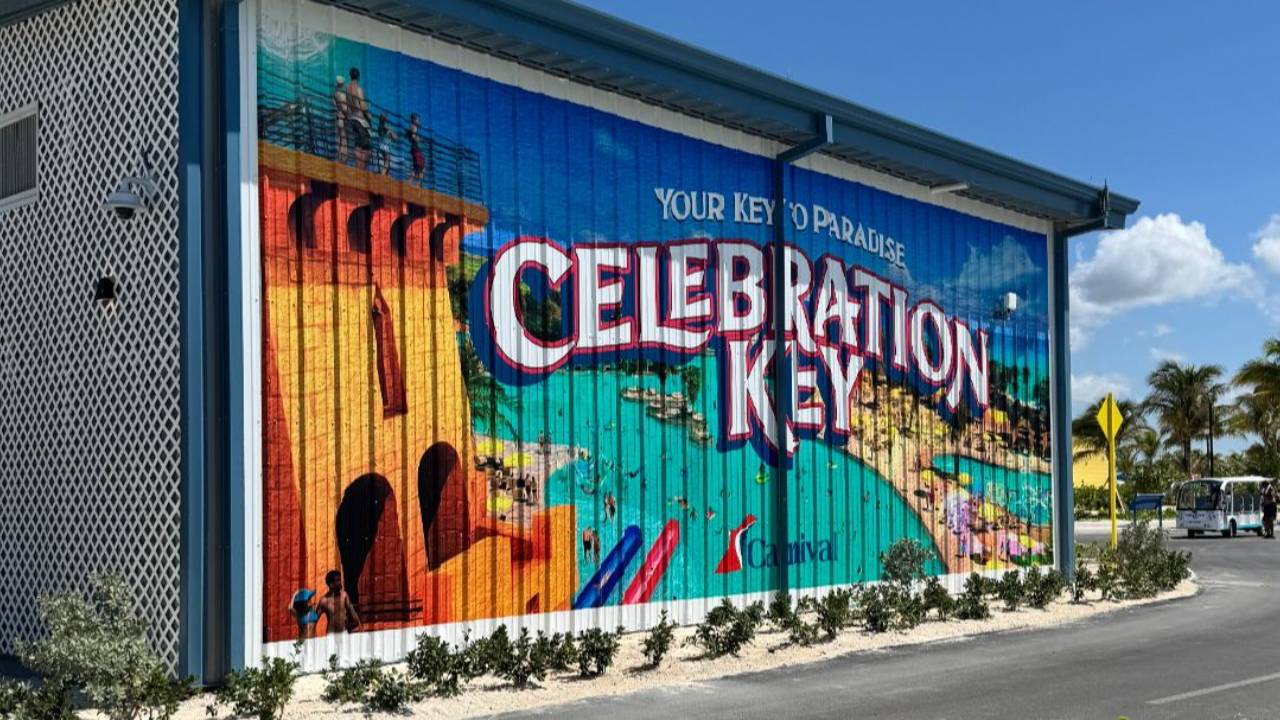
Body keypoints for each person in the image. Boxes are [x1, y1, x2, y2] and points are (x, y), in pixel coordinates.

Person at [315, 570, 360, 635]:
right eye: (338, 580)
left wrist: (351, 626)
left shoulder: (344, 596)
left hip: (344, 633)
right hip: (331, 635)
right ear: (331, 585)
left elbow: (354, 616)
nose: (340, 583)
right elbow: (314, 621)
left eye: (340, 580)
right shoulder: (324, 601)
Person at [345, 67, 372, 169]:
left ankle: (357, 168)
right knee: (366, 148)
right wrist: (369, 116)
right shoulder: (359, 89)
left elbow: (348, 105)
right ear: (358, 77)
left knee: (358, 144)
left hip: (352, 118)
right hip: (360, 119)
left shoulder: (347, 89)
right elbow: (363, 106)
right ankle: (361, 169)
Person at [331, 76, 349, 163]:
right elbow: (344, 108)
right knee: (343, 137)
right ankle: (343, 158)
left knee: (339, 138)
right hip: (342, 117)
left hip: (337, 116)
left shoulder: (335, 94)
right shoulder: (342, 95)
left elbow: (335, 105)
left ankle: (339, 157)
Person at [407, 112, 425, 181]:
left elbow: (409, 136)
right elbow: (413, 137)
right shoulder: (414, 127)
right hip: (416, 148)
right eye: (418, 120)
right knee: (421, 167)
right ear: (414, 120)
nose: (419, 122)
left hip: (413, 148)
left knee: (417, 167)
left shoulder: (411, 127)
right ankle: (415, 183)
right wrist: (419, 139)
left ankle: (411, 182)